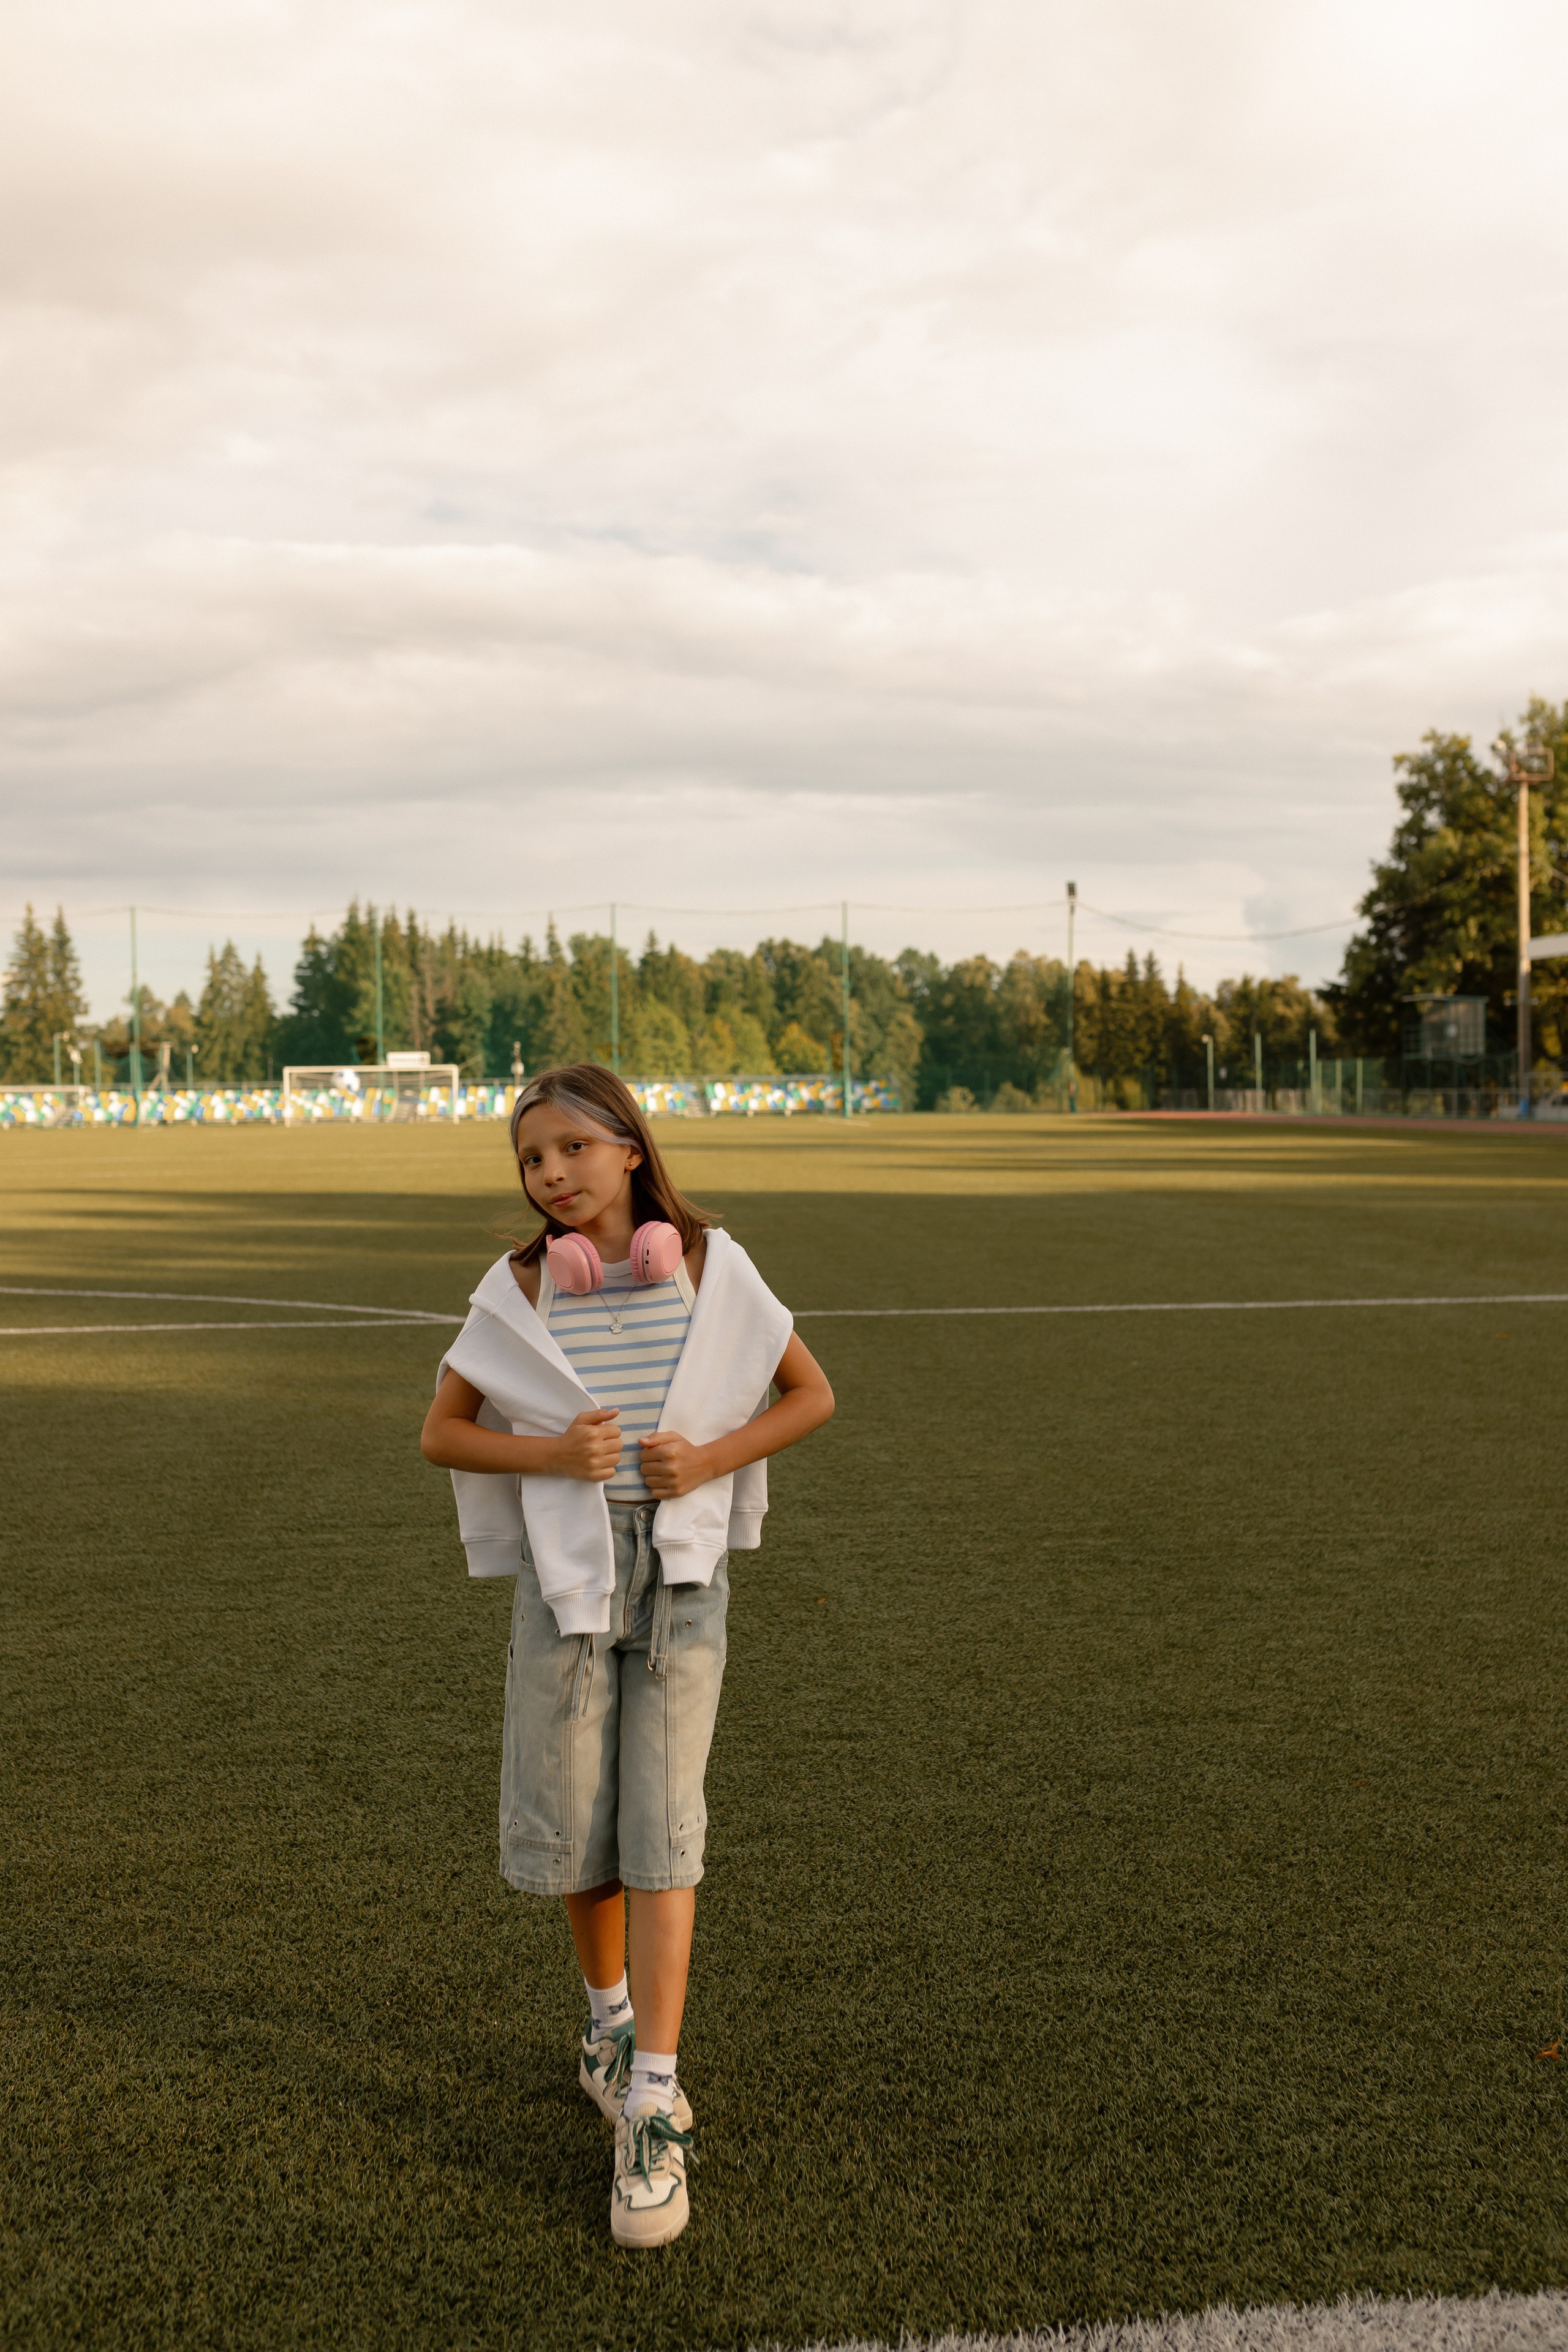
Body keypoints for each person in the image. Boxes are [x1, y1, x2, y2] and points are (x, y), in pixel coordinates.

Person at [421, 1064, 834, 2247]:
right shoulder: (518, 1286)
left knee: (663, 1827)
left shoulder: (708, 1264)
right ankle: (605, 2024)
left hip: (683, 1577)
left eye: (569, 1150)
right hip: (571, 1580)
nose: (551, 1176)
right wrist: (549, 1457)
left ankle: (653, 2094)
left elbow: (810, 1395)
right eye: (530, 1161)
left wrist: (707, 1460)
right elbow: (441, 1429)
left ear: (629, 1148)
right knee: (581, 1818)